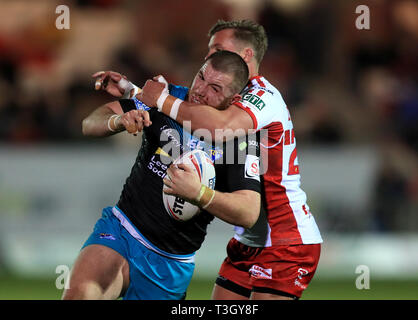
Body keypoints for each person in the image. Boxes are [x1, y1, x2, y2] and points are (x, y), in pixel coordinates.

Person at [136, 19, 323, 300]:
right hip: (248, 240)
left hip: (285, 239)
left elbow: (218, 129)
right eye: (209, 50)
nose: (210, 56)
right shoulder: (226, 96)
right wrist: (131, 91)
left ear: (247, 55)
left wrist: (162, 101)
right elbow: (193, 110)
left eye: (218, 48)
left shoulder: (262, 96)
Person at [63, 51, 262, 300]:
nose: (200, 90)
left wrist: (199, 194)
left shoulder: (238, 138)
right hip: (123, 229)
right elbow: (90, 123)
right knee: (80, 294)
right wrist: (119, 121)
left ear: (234, 99)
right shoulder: (166, 100)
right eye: (201, 77)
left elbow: (249, 212)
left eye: (215, 88)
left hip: (170, 264)